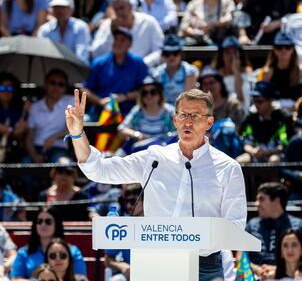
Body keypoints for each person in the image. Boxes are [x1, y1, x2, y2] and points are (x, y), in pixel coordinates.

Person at [65, 88, 247, 281]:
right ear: (175, 120)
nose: (188, 122)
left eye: (195, 115)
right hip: (156, 259)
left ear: (209, 122)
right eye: (183, 115)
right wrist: (77, 134)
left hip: (204, 265)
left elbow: (235, 226)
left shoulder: (228, 168)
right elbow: (98, 170)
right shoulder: (154, 158)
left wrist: (194, 236)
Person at [83, 27, 148, 120]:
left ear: (129, 44)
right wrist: (100, 101)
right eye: (116, 39)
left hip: (128, 113)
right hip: (100, 112)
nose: (118, 43)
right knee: (84, 122)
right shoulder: (99, 63)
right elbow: (85, 89)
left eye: (122, 40)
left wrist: (125, 97)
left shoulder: (138, 63)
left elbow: (146, 90)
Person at [11, 207, 87, 280]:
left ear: (56, 224)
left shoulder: (73, 251)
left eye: (48, 221)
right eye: (39, 221)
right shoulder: (23, 252)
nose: (43, 225)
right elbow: (16, 279)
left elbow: (81, 277)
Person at [245, 182, 302, 279]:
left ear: (276, 201)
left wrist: (279, 270)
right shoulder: (251, 225)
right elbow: (241, 256)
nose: (256, 204)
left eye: (261, 199)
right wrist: (257, 270)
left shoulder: (298, 226)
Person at [91, 0, 163, 61]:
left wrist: (141, 64)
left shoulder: (149, 22)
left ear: (130, 6)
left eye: (122, 8)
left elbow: (160, 51)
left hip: (143, 70)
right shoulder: (107, 25)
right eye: (116, 9)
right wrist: (111, 33)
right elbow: (95, 53)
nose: (119, 12)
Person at [117, 76, 176, 156]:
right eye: (144, 93)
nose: (149, 96)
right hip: (138, 152)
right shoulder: (137, 111)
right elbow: (122, 129)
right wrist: (137, 134)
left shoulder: (170, 111)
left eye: (153, 92)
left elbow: (176, 134)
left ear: (160, 94)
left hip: (162, 153)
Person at [237, 80, 294, 163]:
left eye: (260, 101)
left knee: (273, 160)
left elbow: (284, 145)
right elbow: (245, 141)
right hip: (254, 154)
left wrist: (268, 151)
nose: (256, 105)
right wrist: (252, 150)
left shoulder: (283, 118)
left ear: (271, 100)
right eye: (254, 101)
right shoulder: (250, 118)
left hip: (275, 154)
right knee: (239, 161)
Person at [25, 68, 74, 163]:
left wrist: (54, 137)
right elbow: (29, 138)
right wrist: (34, 156)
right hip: (36, 149)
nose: (56, 87)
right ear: (45, 84)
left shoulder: (71, 102)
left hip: (59, 149)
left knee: (64, 165)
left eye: (61, 84)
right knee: (24, 167)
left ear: (65, 88)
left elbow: (74, 128)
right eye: (52, 83)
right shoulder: (34, 107)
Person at [37, 0, 91, 64]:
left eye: (63, 7)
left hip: (76, 69)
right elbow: (43, 53)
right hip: (51, 68)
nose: (59, 11)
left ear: (72, 10)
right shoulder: (45, 29)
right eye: (56, 7)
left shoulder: (81, 27)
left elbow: (82, 56)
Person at [257, 31, 302, 109]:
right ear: (274, 50)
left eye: (287, 47)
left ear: (292, 50)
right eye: (279, 47)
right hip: (274, 112)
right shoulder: (267, 72)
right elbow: (261, 97)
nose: (283, 50)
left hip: (296, 111)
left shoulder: (300, 72)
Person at [151, 34, 198, 105]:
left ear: (181, 54)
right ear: (163, 55)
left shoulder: (189, 71)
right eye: (167, 54)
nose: (171, 57)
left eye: (175, 53)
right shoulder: (157, 73)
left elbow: (188, 99)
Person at [39, 157, 90, 221]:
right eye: (60, 171)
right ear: (54, 174)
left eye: (68, 172)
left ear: (73, 175)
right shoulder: (44, 195)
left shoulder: (81, 196)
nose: (64, 175)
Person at [211, 35, 253, 111]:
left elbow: (241, 100)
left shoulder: (247, 73)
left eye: (234, 53)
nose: (232, 57)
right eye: (227, 53)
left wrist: (236, 71)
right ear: (222, 56)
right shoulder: (214, 76)